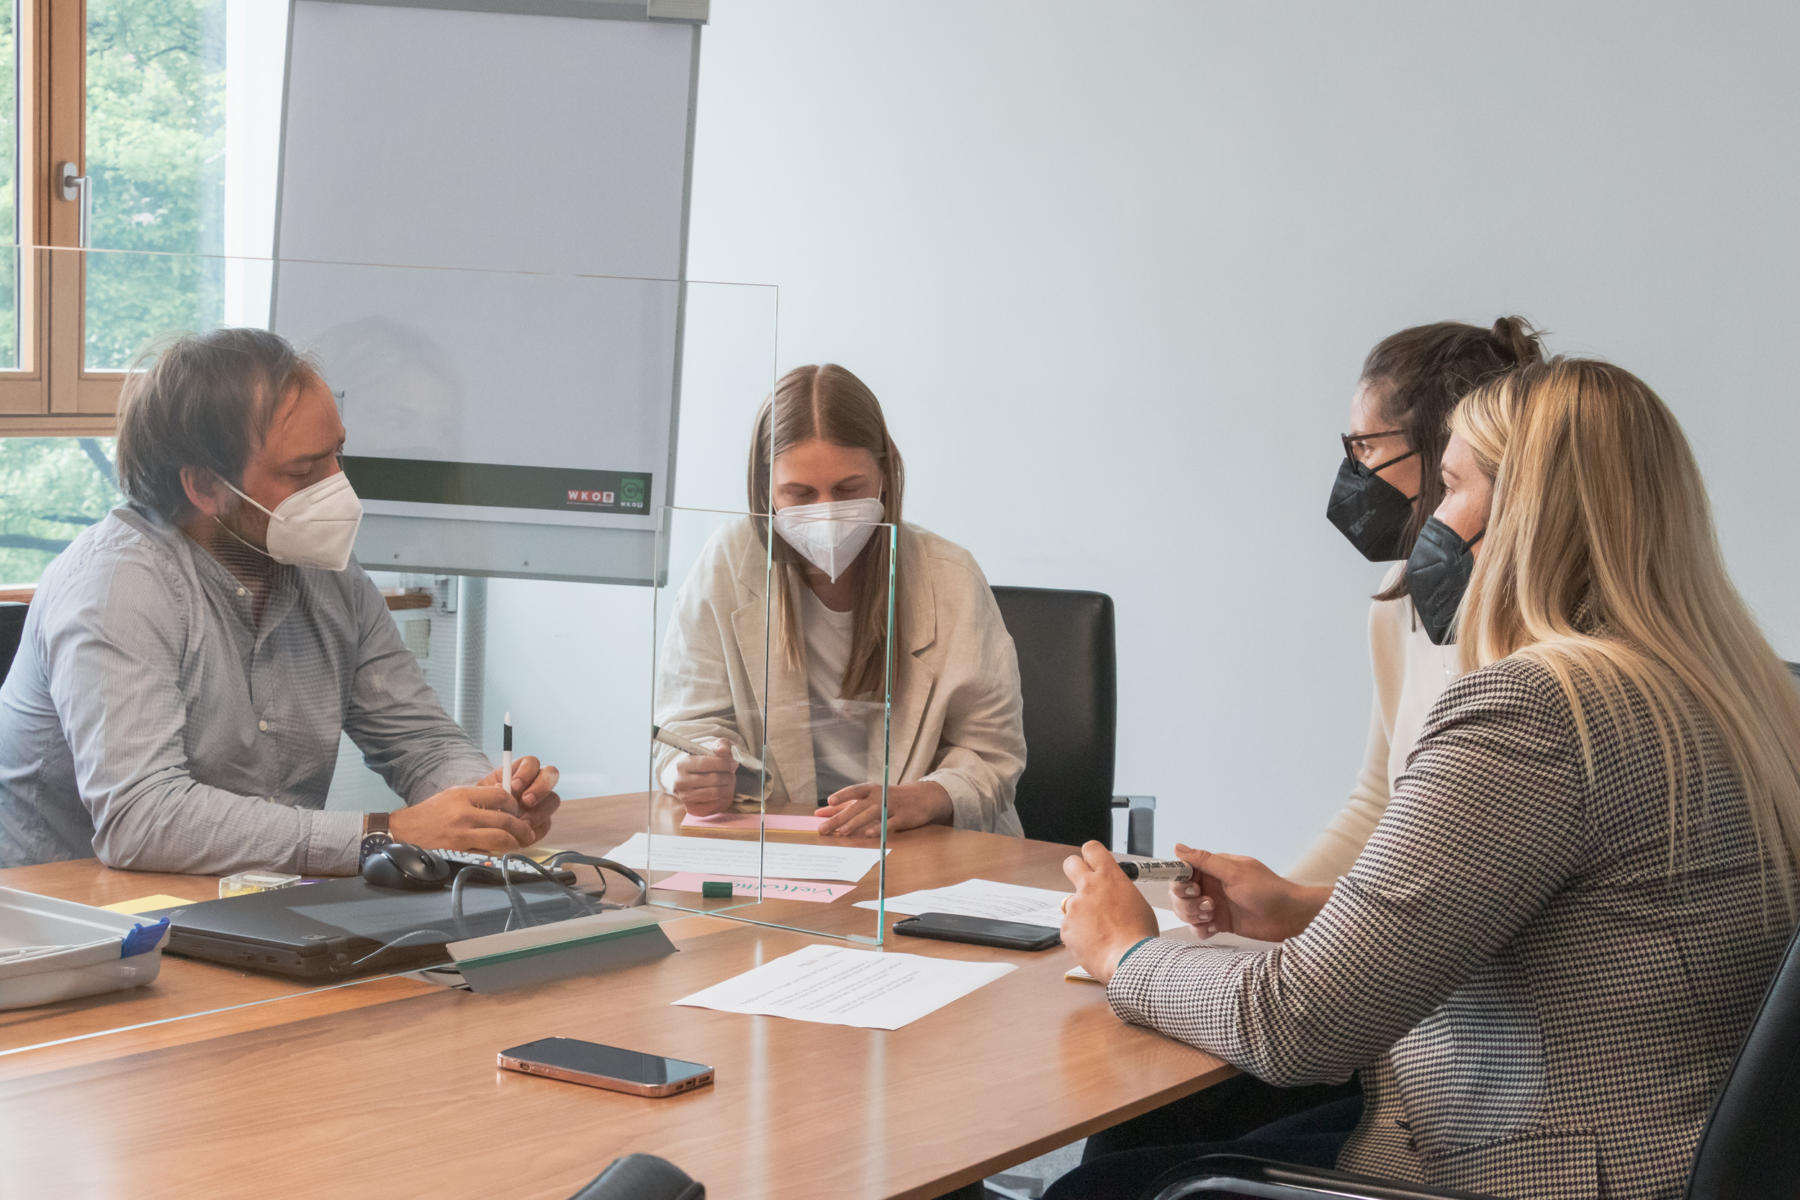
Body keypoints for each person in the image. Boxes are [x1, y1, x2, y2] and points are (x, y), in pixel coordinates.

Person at [1053, 358, 1800, 1200]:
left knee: (1099, 1188)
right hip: (1678, 1153)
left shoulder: (1540, 709)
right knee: (1161, 1133)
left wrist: (1126, 951)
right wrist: (1309, 909)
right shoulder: (1737, 690)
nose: (1433, 522)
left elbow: (1298, 1024)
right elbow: (1572, 916)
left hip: (1525, 1168)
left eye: (1450, 488)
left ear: (1526, 513)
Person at [1079, 317, 1546, 1164]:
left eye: (1367, 446)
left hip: (1465, 1091)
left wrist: (1129, 953)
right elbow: (1386, 810)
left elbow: (1316, 1015)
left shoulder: (1525, 704)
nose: (1351, 474)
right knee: (1136, 1131)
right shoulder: (1406, 601)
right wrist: (1287, 904)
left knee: (1118, 1168)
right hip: (1421, 1027)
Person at [0, 328, 561, 875]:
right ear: (204, 486)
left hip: (251, 909)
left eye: (336, 456)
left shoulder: (329, 575)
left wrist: (484, 800)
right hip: (74, 926)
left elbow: (421, 741)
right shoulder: (116, 586)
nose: (337, 488)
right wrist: (386, 834)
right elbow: (142, 819)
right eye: (303, 472)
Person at [653, 362, 1025, 837]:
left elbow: (991, 754)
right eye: (800, 493)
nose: (826, 515)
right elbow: (687, 723)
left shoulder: (949, 577)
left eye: (848, 490)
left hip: (925, 847)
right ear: (766, 489)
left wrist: (925, 798)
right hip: (782, 843)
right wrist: (701, 770)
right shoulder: (727, 562)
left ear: (885, 475)